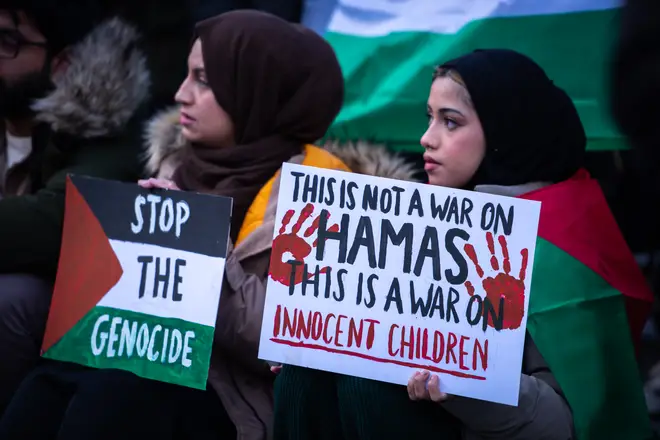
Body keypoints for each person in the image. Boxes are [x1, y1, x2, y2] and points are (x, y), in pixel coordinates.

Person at [0, 10, 416, 440]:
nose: (181, 94)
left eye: (203, 79)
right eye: (186, 75)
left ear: (256, 92)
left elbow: (292, 340)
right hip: (153, 368)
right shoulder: (174, 163)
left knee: (115, 393)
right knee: (49, 383)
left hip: (239, 401)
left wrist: (197, 253)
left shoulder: (325, 196)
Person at [273, 49, 584, 440]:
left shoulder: (552, 241)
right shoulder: (407, 220)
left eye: (450, 122)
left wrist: (464, 381)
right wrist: (320, 346)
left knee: (369, 384)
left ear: (505, 129)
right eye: (429, 118)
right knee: (304, 375)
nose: (426, 139)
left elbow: (562, 425)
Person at [0, 1, 151, 415]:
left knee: (11, 298)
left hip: (70, 306)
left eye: (7, 41)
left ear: (62, 62)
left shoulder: (107, 121)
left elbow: (57, 221)